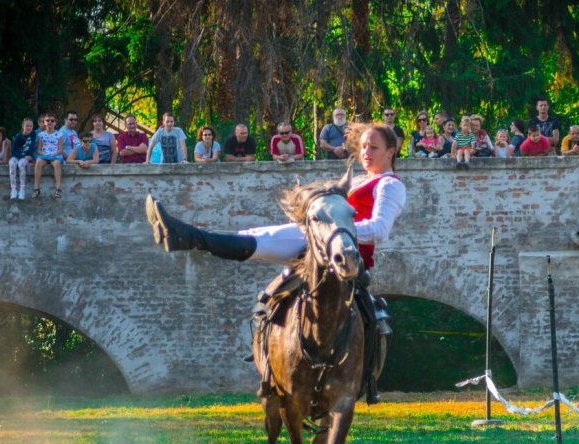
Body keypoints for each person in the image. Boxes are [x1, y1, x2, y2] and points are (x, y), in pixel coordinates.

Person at [145, 123, 406, 405]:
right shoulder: (357, 181)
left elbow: (380, 229)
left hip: (346, 256)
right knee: (260, 250)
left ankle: (187, 237)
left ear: (391, 151)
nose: (366, 152)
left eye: (374, 147)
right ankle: (265, 344)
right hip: (320, 249)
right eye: (364, 146)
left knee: (263, 239)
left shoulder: (390, 185)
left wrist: (333, 232)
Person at [32, 113, 64, 199]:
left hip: (55, 154)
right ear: (44, 122)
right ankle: (36, 188)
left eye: (52, 121)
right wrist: (43, 154)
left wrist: (54, 154)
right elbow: (39, 149)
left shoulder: (59, 134)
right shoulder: (41, 135)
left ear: (55, 123)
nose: (50, 122)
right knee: (38, 162)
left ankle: (58, 189)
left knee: (57, 163)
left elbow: (61, 149)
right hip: (44, 155)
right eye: (47, 120)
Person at [8, 118, 37, 201]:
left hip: (26, 157)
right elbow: (14, 150)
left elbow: (32, 147)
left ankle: (22, 190)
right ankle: (13, 189)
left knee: (21, 164)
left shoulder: (33, 135)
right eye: (27, 126)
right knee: (12, 163)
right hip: (17, 156)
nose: (29, 128)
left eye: (31, 126)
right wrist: (22, 156)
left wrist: (30, 156)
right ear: (23, 126)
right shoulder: (18, 136)